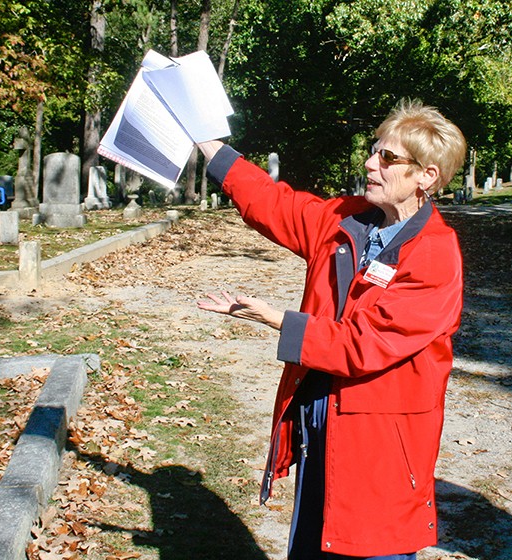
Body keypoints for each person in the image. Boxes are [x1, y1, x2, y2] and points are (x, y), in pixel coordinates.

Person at [196, 99, 467, 560]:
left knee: (368, 545)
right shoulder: (346, 218)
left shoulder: (436, 254)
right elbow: (273, 203)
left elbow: (364, 344)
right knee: (315, 543)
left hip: (382, 441)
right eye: (374, 150)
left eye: (388, 157)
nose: (370, 162)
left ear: (427, 177)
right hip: (320, 415)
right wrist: (208, 146)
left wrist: (275, 318)